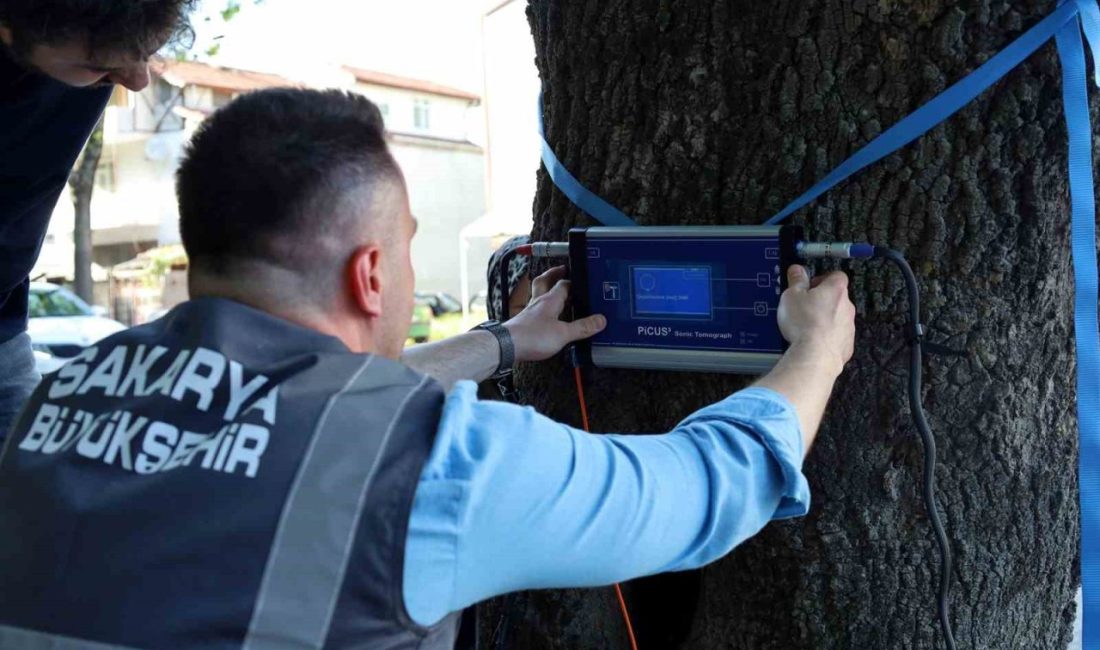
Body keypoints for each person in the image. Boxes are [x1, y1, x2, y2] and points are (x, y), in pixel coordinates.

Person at [0, 88, 856, 649]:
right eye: (407, 250)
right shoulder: (435, 463)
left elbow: (300, 410)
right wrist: (817, 350)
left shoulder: (62, 398)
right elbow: (701, 492)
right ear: (370, 275)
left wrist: (503, 343)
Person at [0, 0, 196, 441]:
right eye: (99, 66)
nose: (136, 78)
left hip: (4, 325)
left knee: (31, 484)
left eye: (147, 51)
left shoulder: (103, 40)